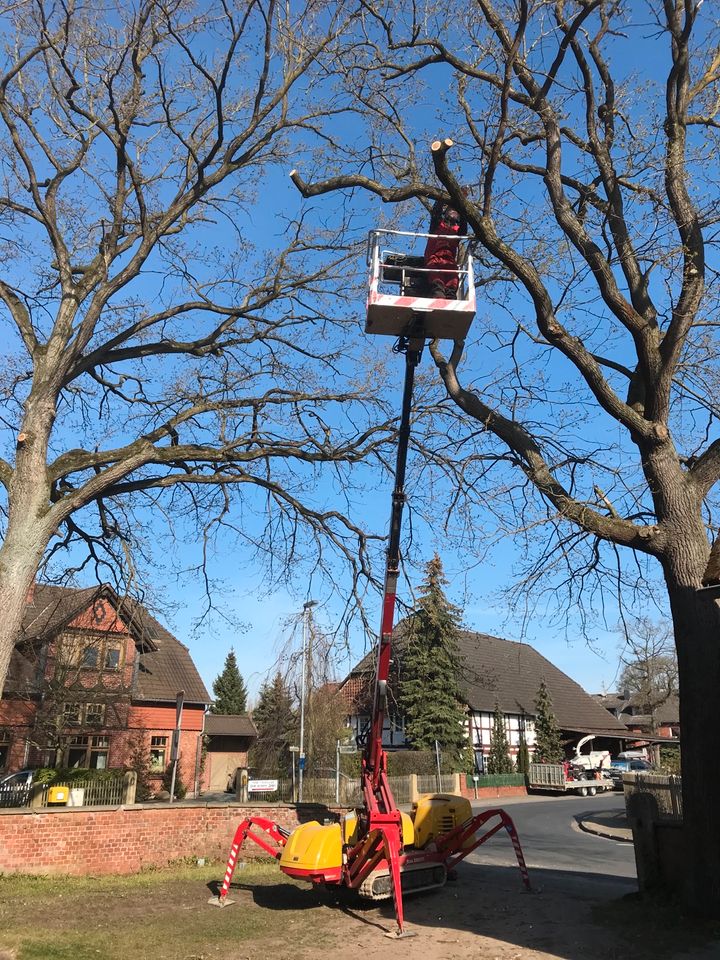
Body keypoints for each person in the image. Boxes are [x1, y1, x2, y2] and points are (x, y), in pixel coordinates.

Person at [423, 198, 468, 299]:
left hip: (449, 261)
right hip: (434, 259)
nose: (453, 212)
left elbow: (464, 227)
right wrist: (442, 197)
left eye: (456, 211)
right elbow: (436, 212)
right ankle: (438, 294)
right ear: (446, 212)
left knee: (453, 278)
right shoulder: (437, 225)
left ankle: (450, 296)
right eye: (450, 209)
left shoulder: (457, 230)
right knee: (436, 278)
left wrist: (462, 203)